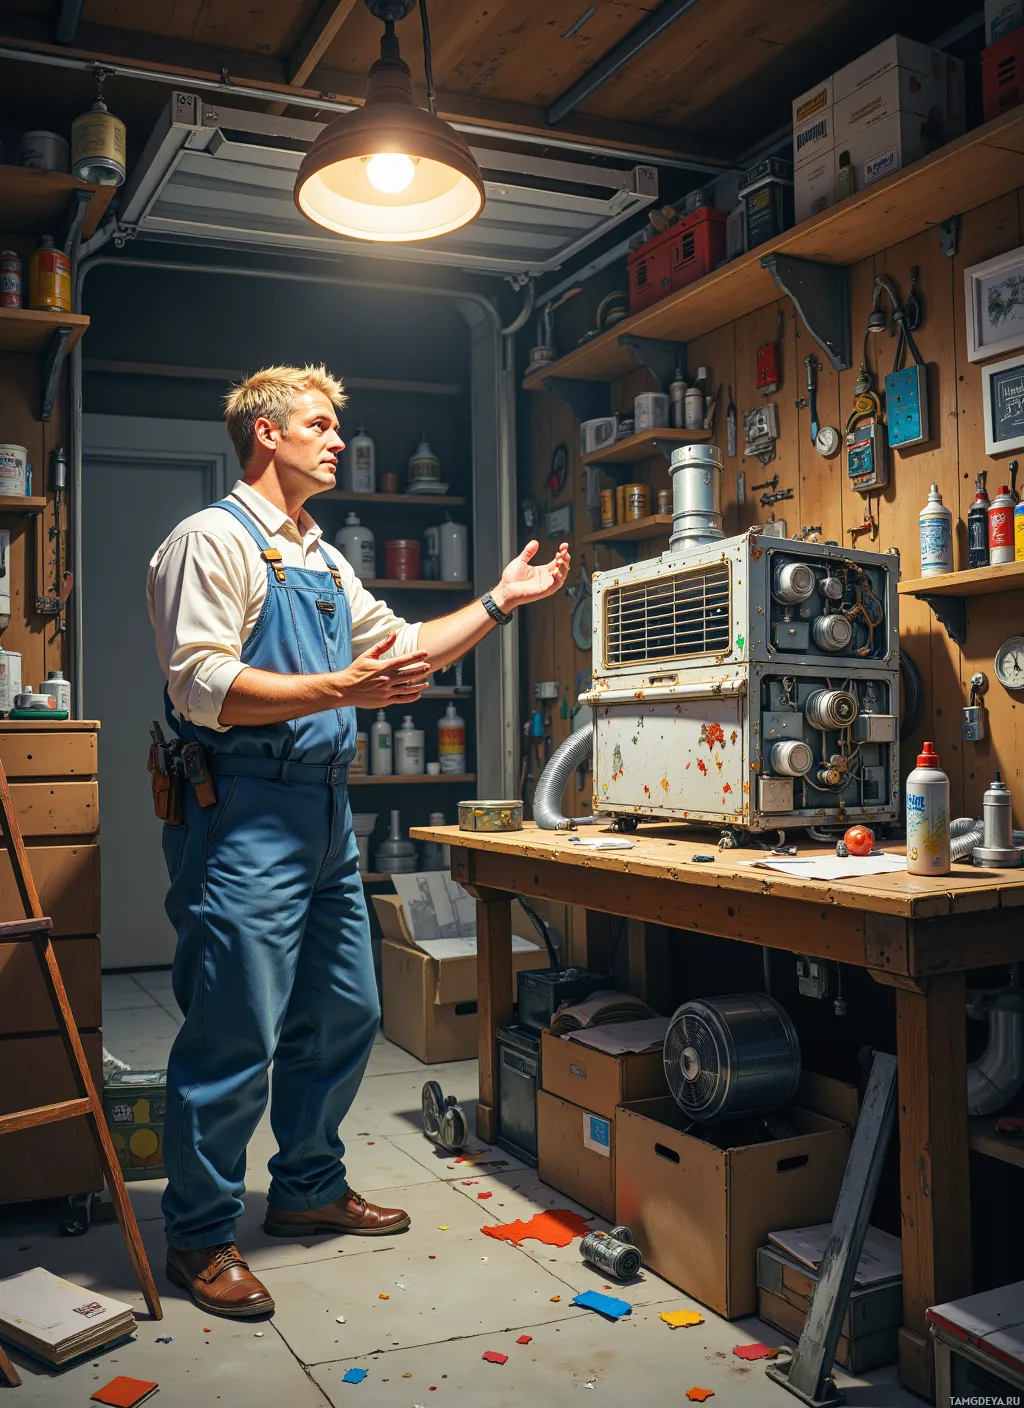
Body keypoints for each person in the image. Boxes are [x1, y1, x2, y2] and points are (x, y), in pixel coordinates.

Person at [147, 364, 570, 1318]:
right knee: (234, 1029)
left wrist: (501, 601)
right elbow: (202, 684)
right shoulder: (211, 541)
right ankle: (199, 1234)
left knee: (344, 1008)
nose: (339, 440)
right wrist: (342, 688)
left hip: (325, 815)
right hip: (241, 809)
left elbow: (401, 648)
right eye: (320, 424)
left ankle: (306, 1186)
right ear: (266, 434)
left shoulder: (323, 559)